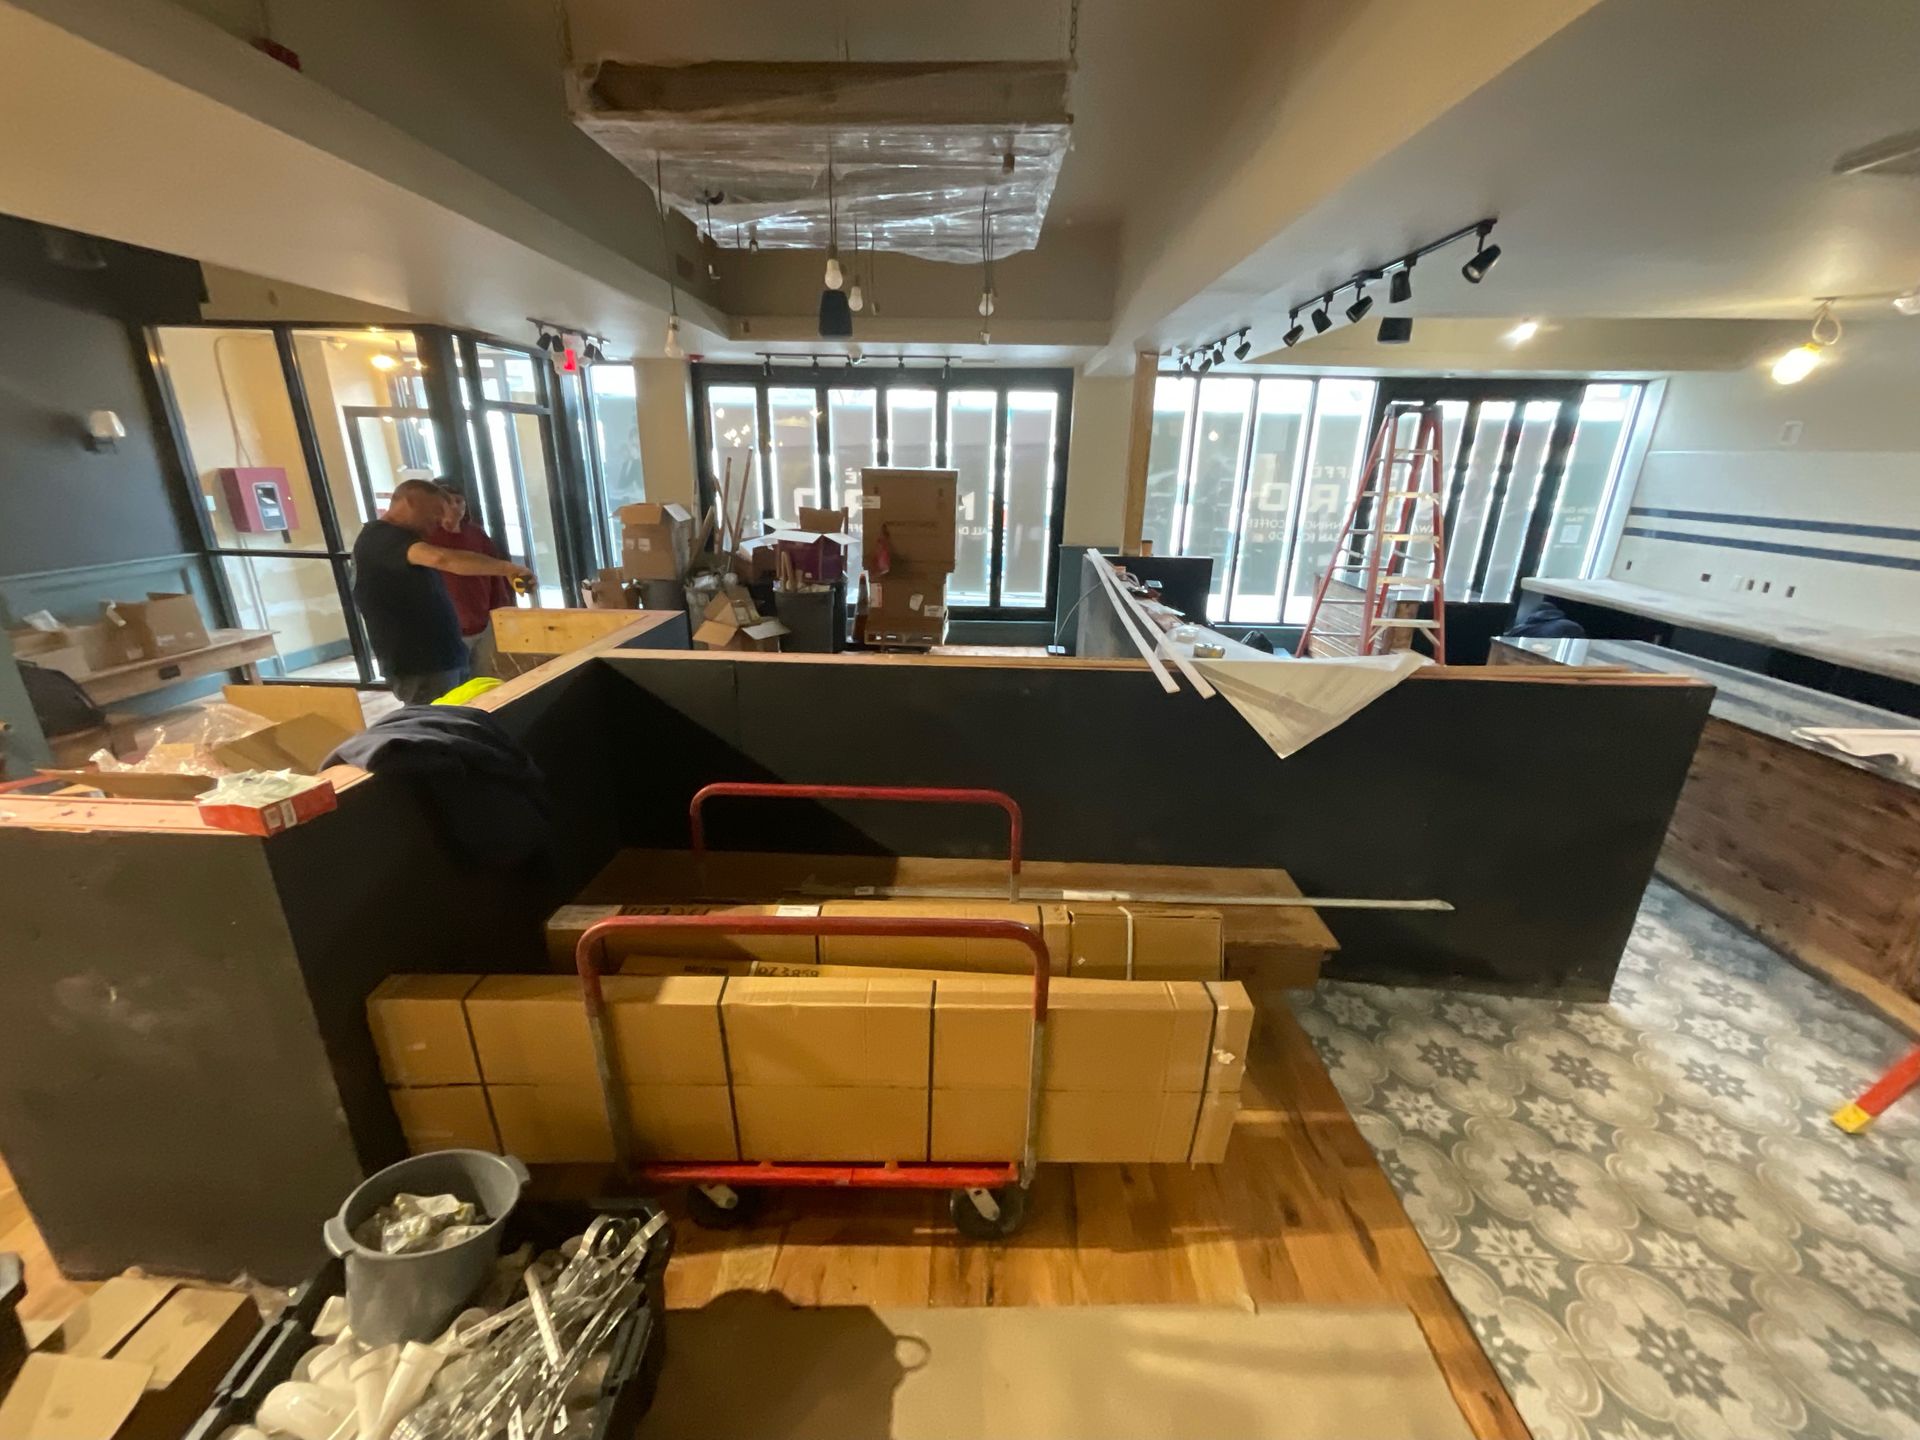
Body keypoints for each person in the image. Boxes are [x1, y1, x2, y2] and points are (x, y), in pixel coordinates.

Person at [351, 477, 531, 705]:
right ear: (410, 502)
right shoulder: (381, 538)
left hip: (442, 658)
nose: (440, 518)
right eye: (435, 511)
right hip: (420, 664)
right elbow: (442, 558)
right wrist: (507, 568)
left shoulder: (404, 539)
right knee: (441, 723)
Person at [429, 480, 516, 678]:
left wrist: (499, 609)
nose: (454, 507)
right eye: (448, 502)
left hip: (482, 620)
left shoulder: (475, 534)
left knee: (482, 677)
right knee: (455, 681)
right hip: (450, 626)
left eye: (459, 501)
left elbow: (495, 573)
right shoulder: (429, 540)